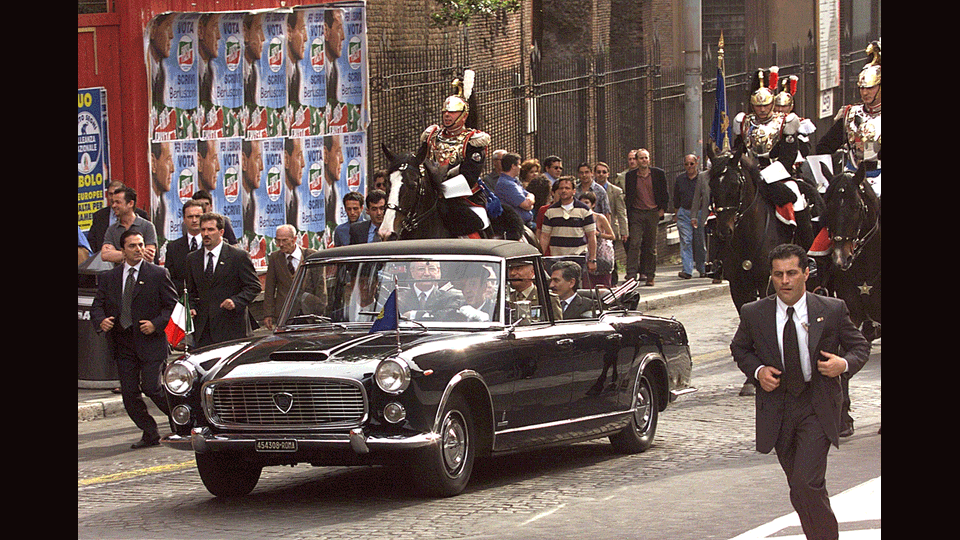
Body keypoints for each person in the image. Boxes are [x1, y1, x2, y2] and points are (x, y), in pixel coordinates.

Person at [731, 243, 870, 540]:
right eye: (778, 274)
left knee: (808, 483)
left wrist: (843, 364)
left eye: (792, 273)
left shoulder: (831, 310)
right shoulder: (755, 313)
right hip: (778, 409)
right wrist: (757, 371)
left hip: (817, 405)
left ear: (806, 273)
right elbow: (740, 349)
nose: (785, 281)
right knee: (798, 487)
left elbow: (860, 346)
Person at [90, 230, 176, 449]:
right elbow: (97, 305)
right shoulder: (110, 277)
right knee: (129, 393)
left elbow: (173, 306)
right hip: (123, 342)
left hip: (151, 342)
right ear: (123, 250)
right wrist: (101, 321)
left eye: (140, 245)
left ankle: (181, 418)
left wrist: (155, 324)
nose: (138, 250)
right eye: (132, 246)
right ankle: (149, 432)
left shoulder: (157, 273)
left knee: (152, 387)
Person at [416, 70, 493, 239]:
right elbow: (420, 162)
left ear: (464, 116)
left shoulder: (473, 140)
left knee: (474, 225)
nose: (447, 115)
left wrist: (441, 191)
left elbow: (469, 176)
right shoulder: (431, 135)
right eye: (445, 111)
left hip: (461, 198)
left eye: (452, 112)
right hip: (429, 195)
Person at [814, 39, 881, 199]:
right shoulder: (850, 114)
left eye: (870, 88)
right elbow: (824, 146)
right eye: (862, 88)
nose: (865, 93)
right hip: (851, 176)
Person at [186, 212, 262, 348]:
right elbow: (191, 291)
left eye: (210, 229)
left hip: (231, 327)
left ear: (221, 232)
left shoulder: (237, 257)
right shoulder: (193, 259)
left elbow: (254, 286)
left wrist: (236, 300)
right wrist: (191, 307)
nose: (206, 234)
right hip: (203, 330)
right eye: (202, 230)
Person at [539, 177, 598, 285]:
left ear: (574, 191)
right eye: (561, 188)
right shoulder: (551, 211)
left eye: (567, 188)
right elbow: (544, 236)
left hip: (577, 257)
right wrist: (541, 257)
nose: (564, 191)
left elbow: (591, 236)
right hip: (556, 258)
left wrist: (592, 259)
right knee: (556, 287)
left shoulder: (584, 210)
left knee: (575, 287)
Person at [623, 148, 668, 286]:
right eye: (641, 158)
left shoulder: (658, 174)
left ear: (649, 159)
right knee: (634, 243)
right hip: (637, 212)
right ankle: (631, 274)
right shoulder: (630, 176)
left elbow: (664, 192)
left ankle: (650, 275)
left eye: (646, 158)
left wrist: (662, 210)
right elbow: (629, 195)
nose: (644, 160)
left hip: (652, 212)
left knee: (650, 246)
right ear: (636, 160)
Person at [263, 224, 317, 330]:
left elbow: (320, 286)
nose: (281, 244)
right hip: (285, 313)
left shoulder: (310, 255)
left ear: (294, 239)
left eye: (284, 240)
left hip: (308, 312)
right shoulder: (275, 258)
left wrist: (321, 310)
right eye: (278, 241)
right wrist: (268, 314)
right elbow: (270, 288)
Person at [101, 186, 158, 265]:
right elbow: (105, 255)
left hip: (145, 275)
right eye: (113, 202)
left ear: (130, 203)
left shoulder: (147, 226)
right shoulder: (112, 229)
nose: (113, 206)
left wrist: (118, 254)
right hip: (121, 275)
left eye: (118, 202)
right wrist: (135, 253)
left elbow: (149, 256)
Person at [87, 181, 150, 253]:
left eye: (116, 194)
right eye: (110, 194)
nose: (112, 197)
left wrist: (117, 254)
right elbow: (93, 243)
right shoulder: (100, 217)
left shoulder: (143, 218)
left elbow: (150, 254)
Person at [672, 154, 707, 279]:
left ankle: (702, 268)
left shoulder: (703, 178)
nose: (689, 167)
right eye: (686, 164)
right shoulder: (680, 179)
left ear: (696, 163)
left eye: (691, 164)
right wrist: (676, 214)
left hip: (698, 213)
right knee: (686, 241)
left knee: (699, 242)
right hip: (684, 212)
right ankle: (687, 270)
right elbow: (676, 197)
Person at [593, 161, 628, 283]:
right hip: (593, 229)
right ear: (594, 174)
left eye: (604, 172)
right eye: (598, 172)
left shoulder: (616, 191)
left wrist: (624, 231)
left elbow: (621, 211)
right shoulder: (592, 189)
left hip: (609, 228)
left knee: (609, 256)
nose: (601, 174)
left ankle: (612, 281)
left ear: (608, 174)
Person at [163, 199, 204, 297]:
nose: (194, 220)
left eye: (198, 216)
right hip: (183, 302)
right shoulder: (173, 247)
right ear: (184, 219)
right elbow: (170, 279)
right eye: (190, 217)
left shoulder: (213, 244)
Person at [398, 261, 463, 319]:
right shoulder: (399, 299)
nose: (427, 274)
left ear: (438, 271)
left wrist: (415, 315)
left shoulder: (449, 298)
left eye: (431, 269)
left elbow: (450, 315)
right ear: (412, 272)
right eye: (421, 269)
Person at [578, 191, 614, 288]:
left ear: (593, 204)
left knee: (603, 285)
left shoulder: (600, 218)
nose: (584, 205)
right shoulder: (577, 218)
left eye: (586, 203)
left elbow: (612, 236)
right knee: (587, 285)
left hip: (600, 255)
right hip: (584, 254)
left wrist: (598, 234)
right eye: (581, 203)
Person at [494, 152, 536, 230]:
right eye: (519, 165)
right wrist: (530, 205)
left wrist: (530, 200)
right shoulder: (507, 184)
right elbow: (526, 204)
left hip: (525, 224)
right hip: (516, 227)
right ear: (513, 166)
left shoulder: (514, 181)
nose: (520, 167)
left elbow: (530, 194)